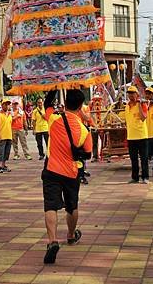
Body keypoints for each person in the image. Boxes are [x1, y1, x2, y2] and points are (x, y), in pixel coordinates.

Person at [42, 89, 92, 264]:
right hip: (72, 172)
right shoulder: (84, 130)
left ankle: (52, 241)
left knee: (50, 206)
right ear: (80, 106)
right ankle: (71, 235)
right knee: (72, 205)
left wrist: (54, 89)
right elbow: (88, 154)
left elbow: (47, 105)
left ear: (65, 103)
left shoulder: (55, 118)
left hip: (51, 170)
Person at [125, 86, 149, 184]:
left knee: (144, 158)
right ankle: (135, 177)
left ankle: (145, 177)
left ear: (137, 94)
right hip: (131, 136)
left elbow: (143, 118)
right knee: (133, 159)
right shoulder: (127, 106)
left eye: (132, 93)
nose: (130, 95)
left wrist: (139, 104)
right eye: (129, 93)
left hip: (142, 136)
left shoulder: (143, 105)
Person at [0, 100, 13, 173]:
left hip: (9, 135)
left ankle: (4, 165)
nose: (7, 106)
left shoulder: (9, 114)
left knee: (7, 152)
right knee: (1, 152)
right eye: (5, 104)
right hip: (2, 136)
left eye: (8, 105)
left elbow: (10, 125)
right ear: (2, 105)